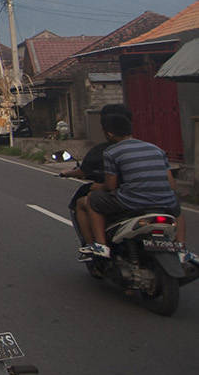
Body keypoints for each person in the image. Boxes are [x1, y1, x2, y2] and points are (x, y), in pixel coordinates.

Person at [75, 104, 187, 260]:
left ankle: (101, 246)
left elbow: (111, 186)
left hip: (132, 202)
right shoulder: (156, 149)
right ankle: (181, 246)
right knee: (176, 205)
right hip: (164, 201)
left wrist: (96, 186)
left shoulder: (112, 152)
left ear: (109, 134)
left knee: (92, 201)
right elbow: (172, 185)